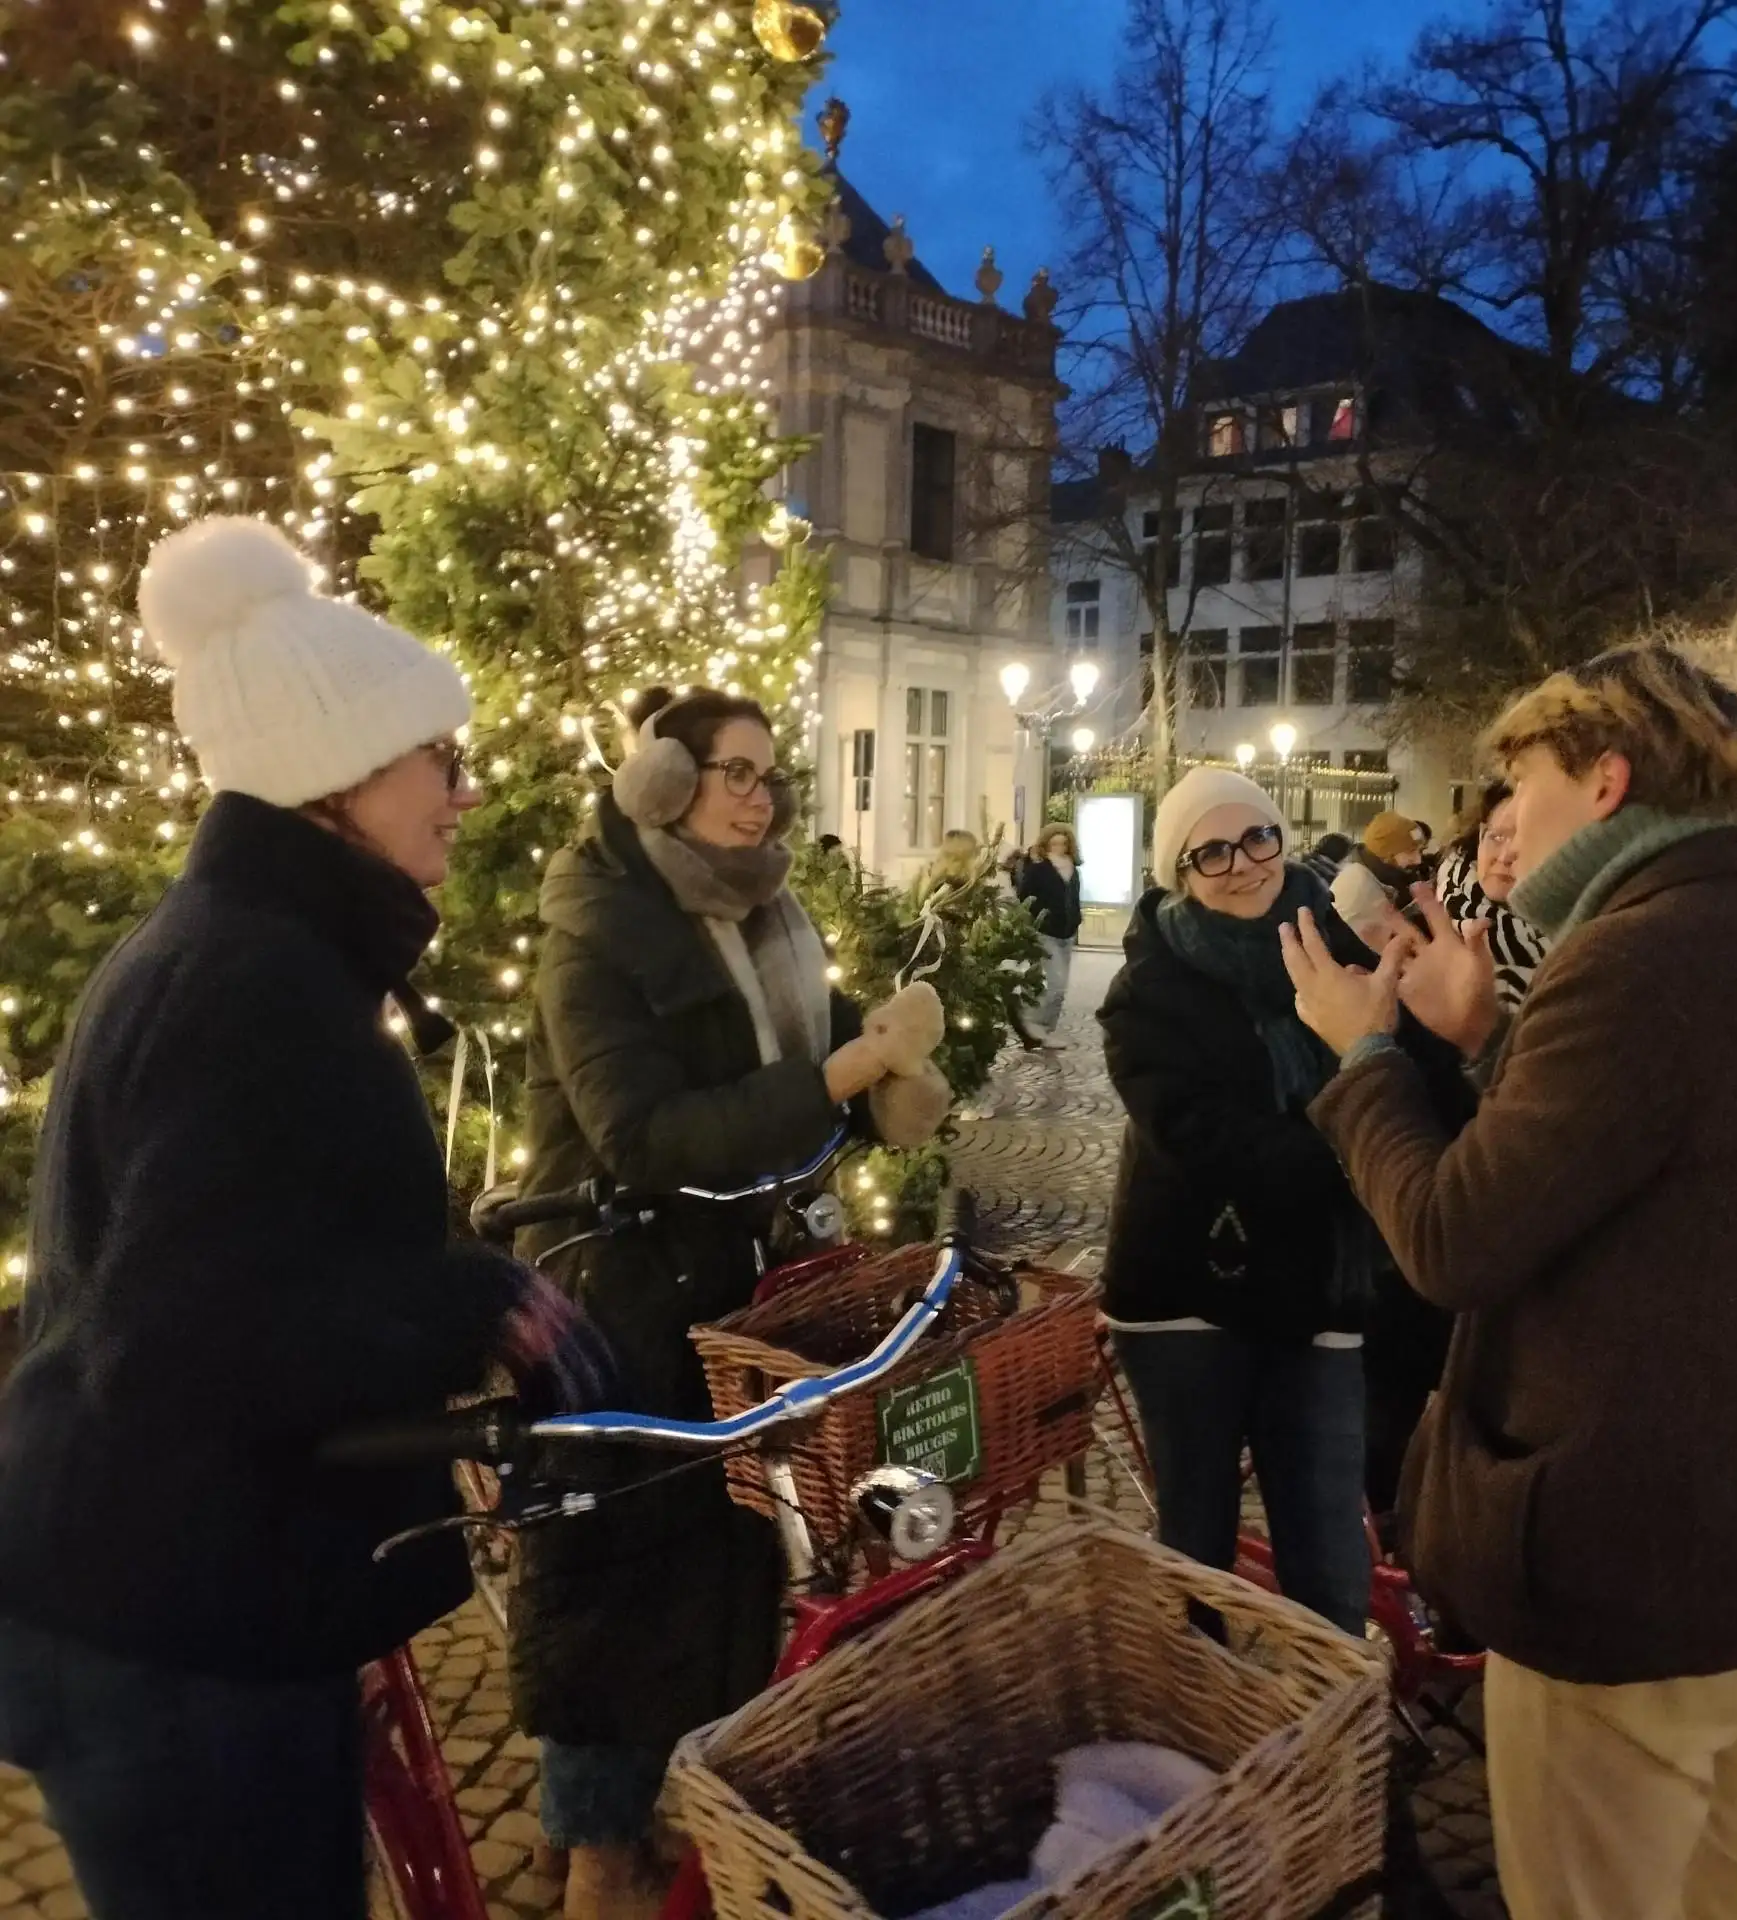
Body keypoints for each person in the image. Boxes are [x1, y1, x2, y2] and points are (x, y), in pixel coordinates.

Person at [0, 517, 609, 1919]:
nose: (462, 793)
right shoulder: (254, 985)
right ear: (335, 780)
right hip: (175, 1637)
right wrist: (477, 1303)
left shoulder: (245, 951)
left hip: (170, 1608)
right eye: (437, 761)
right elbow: (185, 1349)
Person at [1279, 643, 1737, 1920]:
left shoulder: (1635, 959)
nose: (1508, 819)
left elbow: (1455, 1237)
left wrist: (1363, 1063)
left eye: (1526, 783)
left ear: (1609, 781)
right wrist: (1489, 1038)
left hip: (1632, 1567)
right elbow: (1660, 1160)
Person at [510, 686, 948, 1919]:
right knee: (615, 1585)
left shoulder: (768, 912)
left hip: (734, 1291)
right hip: (614, 1301)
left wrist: (880, 1086)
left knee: (723, 1566)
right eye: (732, 772)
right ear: (661, 784)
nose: (759, 795)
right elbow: (644, 1137)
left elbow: (804, 1048)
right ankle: (593, 1854)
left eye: (769, 774)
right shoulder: (594, 931)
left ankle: (647, 1823)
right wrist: (842, 1073)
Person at [1096, 767, 1384, 1638]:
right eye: (1210, 851)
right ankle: (1198, 1723)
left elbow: (1400, 1073)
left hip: (1320, 1284)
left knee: (1329, 1540)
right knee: (1196, 1539)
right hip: (1189, 1284)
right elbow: (1194, 1134)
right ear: (1178, 872)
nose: (1242, 864)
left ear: (1282, 839)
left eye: (1257, 837)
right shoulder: (1148, 988)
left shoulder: (1348, 951)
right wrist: (1355, 1154)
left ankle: (1330, 1734)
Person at [1434, 781, 1546, 1014]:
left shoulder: (1577, 937)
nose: (1504, 857)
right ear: (1481, 835)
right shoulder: (1433, 926)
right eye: (1496, 837)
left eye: (1523, 841)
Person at [1017, 825, 1083, 1043]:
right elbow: (1024, 897)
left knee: (1060, 987)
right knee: (1055, 984)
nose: (1059, 848)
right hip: (1046, 932)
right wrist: (1035, 921)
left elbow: (1073, 898)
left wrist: (1076, 920)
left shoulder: (1073, 869)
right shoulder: (1039, 869)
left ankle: (1047, 1030)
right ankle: (1033, 1023)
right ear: (1046, 844)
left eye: (1063, 843)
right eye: (1054, 843)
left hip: (1067, 933)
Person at [1330, 811, 1425, 951]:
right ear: (1386, 853)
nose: (1418, 860)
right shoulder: (1360, 886)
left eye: (1420, 851)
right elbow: (1397, 944)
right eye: (1410, 852)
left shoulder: (1368, 874)